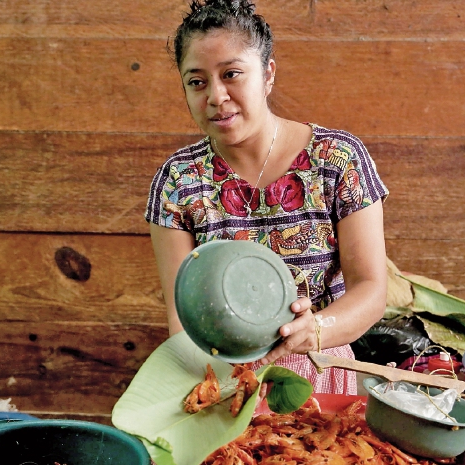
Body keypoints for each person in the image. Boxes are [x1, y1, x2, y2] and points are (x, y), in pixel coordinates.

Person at [145, 0, 388, 394]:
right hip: (221, 379)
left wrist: (317, 327)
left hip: (320, 372)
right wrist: (212, 392)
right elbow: (182, 321)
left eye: (232, 74)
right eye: (197, 81)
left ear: (268, 74)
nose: (216, 96)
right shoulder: (178, 181)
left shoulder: (337, 159)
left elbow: (372, 289)